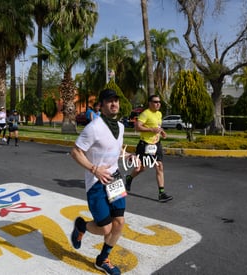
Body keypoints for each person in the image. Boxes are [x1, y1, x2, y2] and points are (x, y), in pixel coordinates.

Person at [70, 89, 127, 275]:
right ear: (101, 105)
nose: (114, 104)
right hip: (96, 182)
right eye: (109, 101)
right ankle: (81, 226)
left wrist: (129, 155)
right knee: (105, 228)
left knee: (119, 223)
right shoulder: (93, 128)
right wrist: (94, 169)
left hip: (115, 178)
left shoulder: (121, 126)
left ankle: (102, 259)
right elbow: (76, 152)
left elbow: (114, 150)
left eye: (116, 100)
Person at [125, 94, 173, 202]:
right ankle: (129, 178)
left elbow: (158, 126)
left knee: (159, 166)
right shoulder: (145, 114)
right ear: (150, 103)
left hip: (156, 144)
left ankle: (161, 193)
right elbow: (137, 127)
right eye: (155, 102)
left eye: (159, 102)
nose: (158, 104)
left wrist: (162, 132)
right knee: (140, 168)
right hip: (145, 145)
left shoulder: (159, 114)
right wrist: (151, 130)